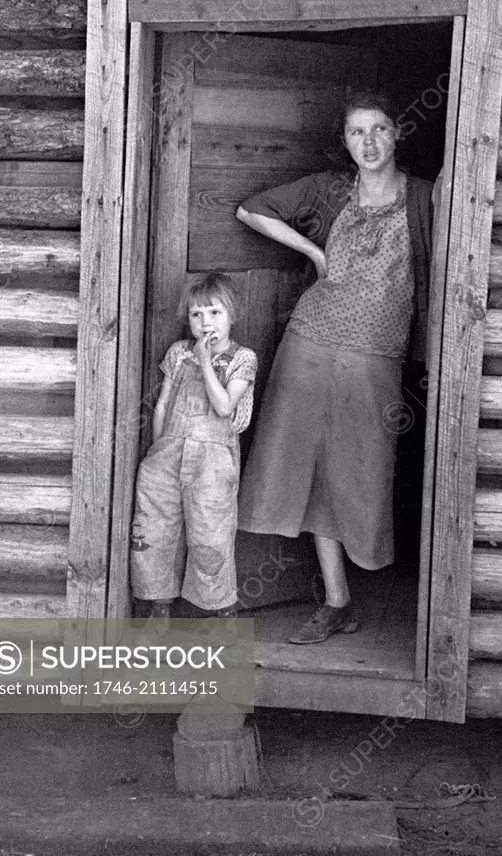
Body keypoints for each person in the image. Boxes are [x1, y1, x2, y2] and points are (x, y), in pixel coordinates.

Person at [236, 90, 433, 644]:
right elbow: (250, 209)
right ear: (344, 142)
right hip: (310, 339)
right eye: (356, 133)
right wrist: (315, 253)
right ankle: (337, 600)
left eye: (379, 129)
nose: (368, 143)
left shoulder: (425, 197)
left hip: (375, 351)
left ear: (397, 134)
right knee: (302, 464)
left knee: (359, 468)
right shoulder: (328, 189)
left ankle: (361, 592)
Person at [130, 272, 257, 621]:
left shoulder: (243, 359)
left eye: (215, 313)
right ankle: (159, 605)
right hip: (168, 453)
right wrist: (158, 449)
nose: (205, 323)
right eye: (196, 315)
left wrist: (204, 361)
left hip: (213, 459)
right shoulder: (177, 353)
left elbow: (224, 406)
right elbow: (162, 404)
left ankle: (221, 608)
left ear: (232, 314)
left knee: (210, 534)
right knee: (156, 528)